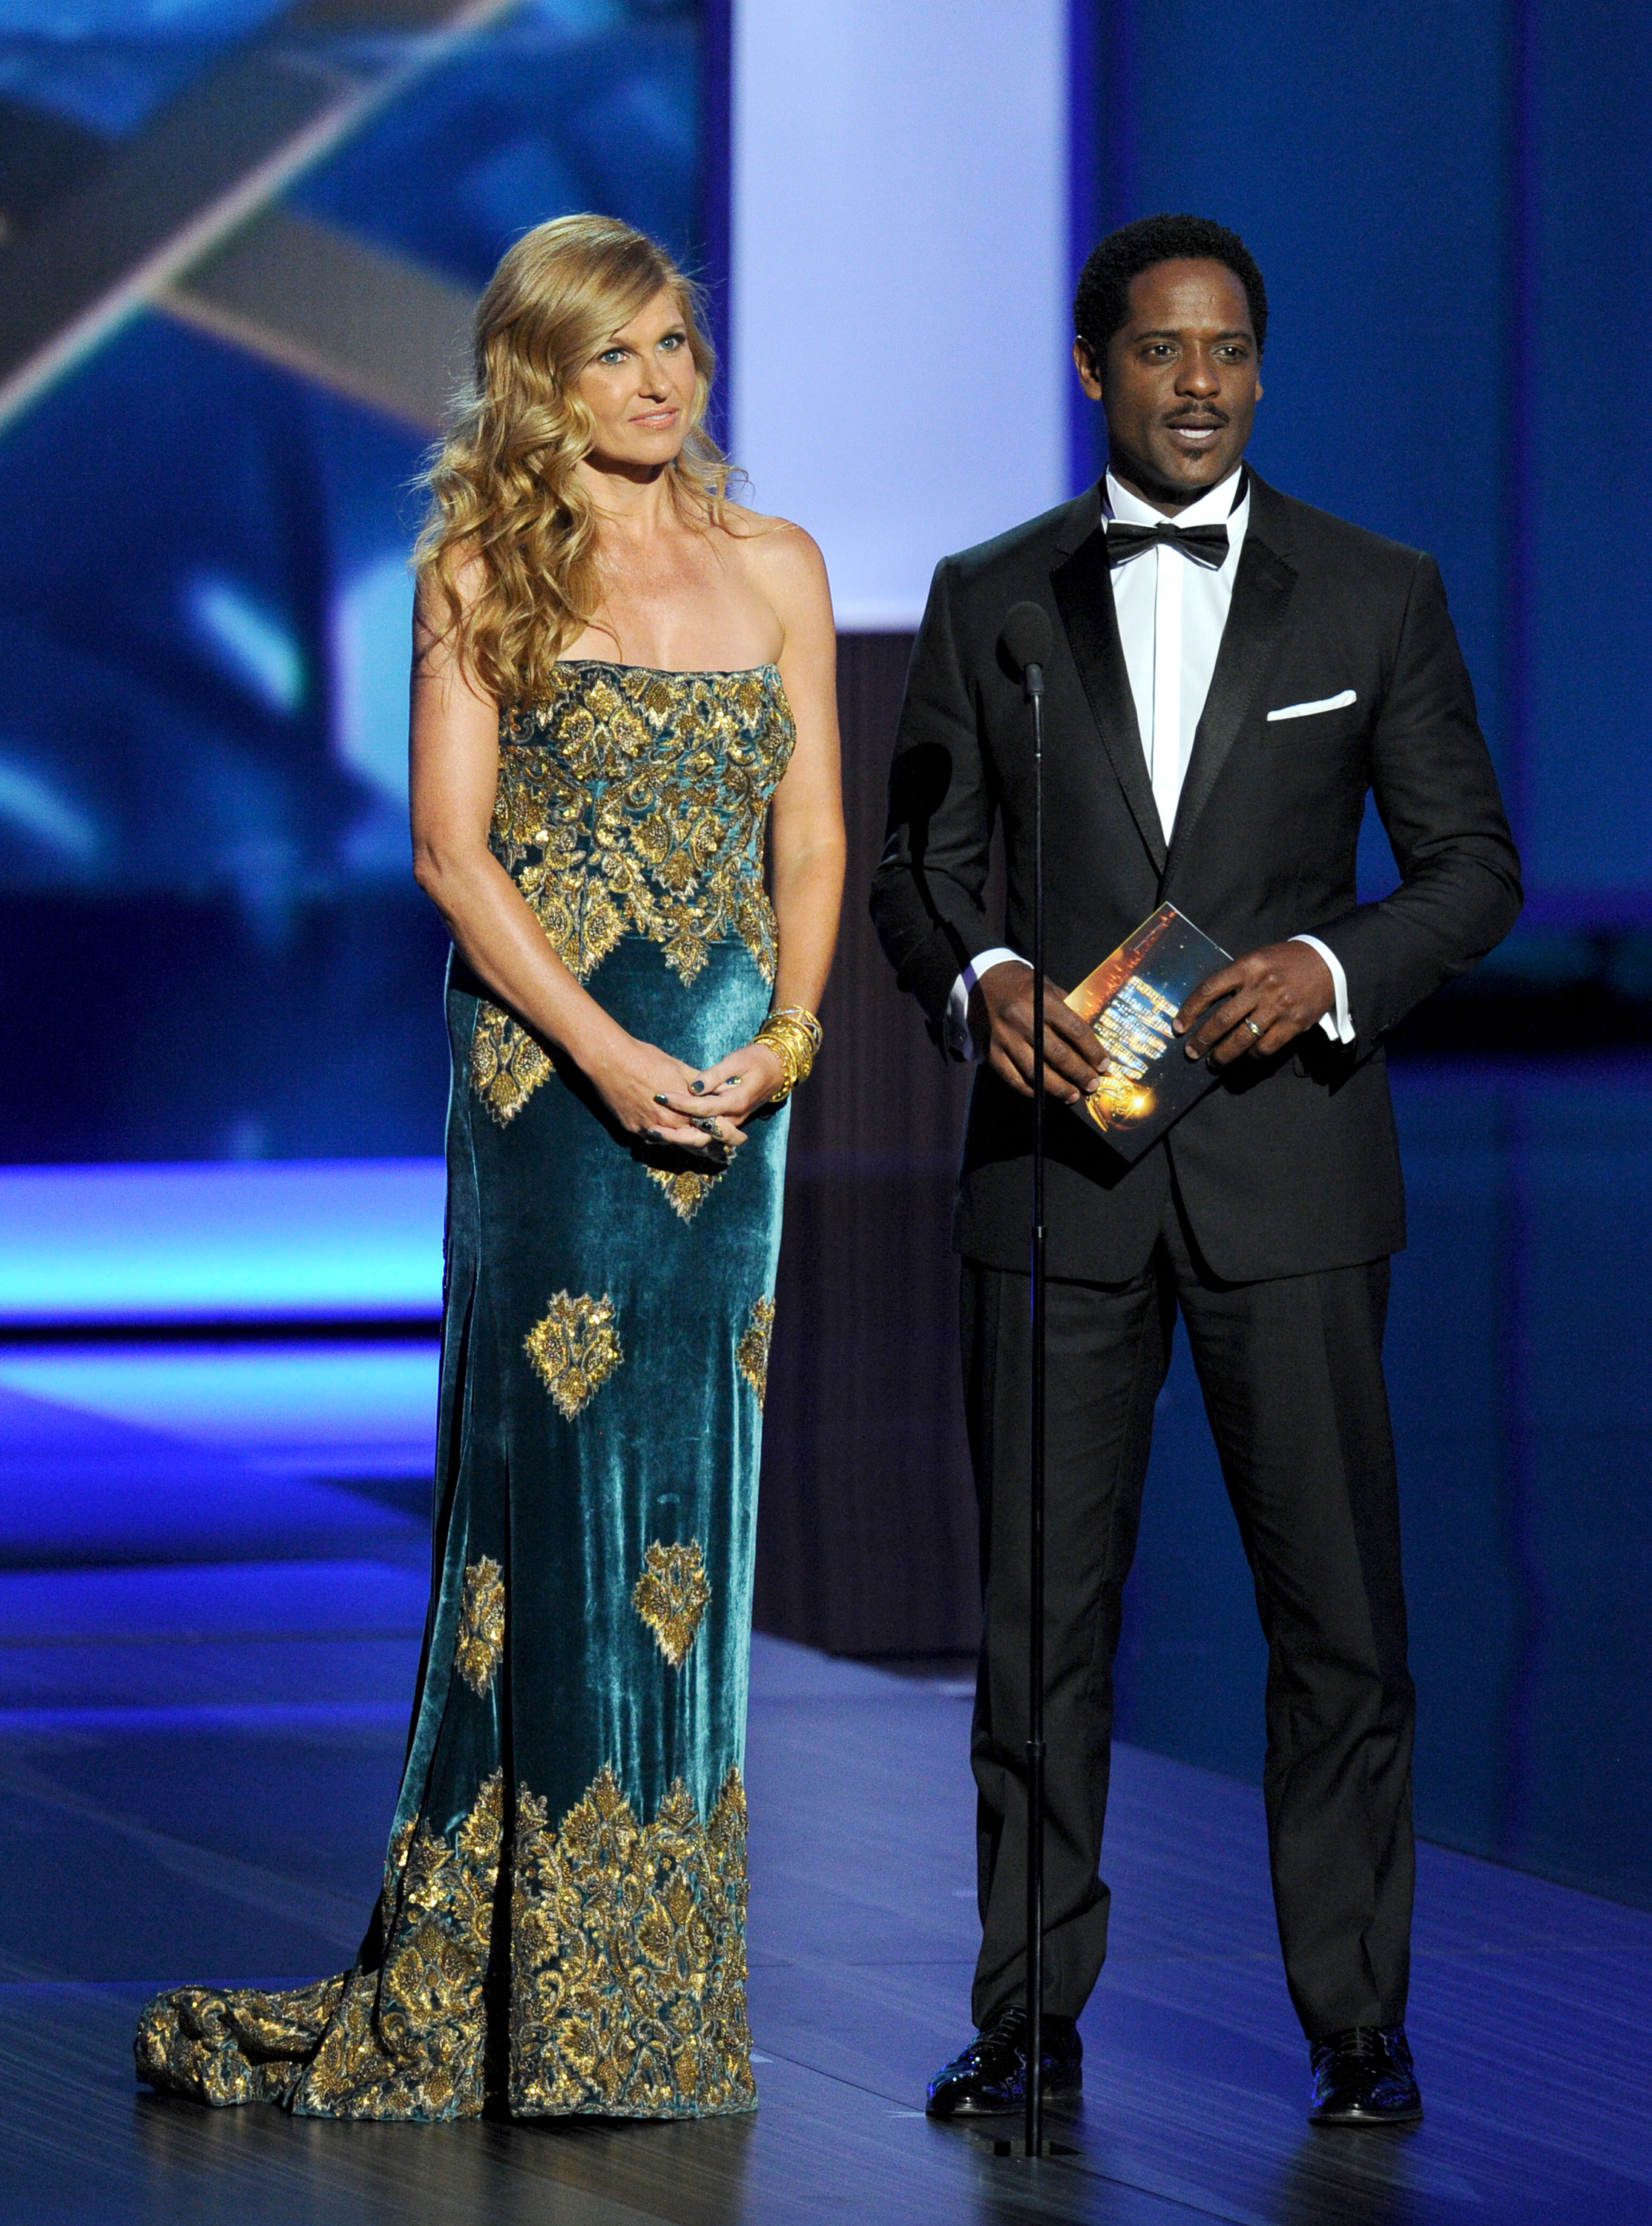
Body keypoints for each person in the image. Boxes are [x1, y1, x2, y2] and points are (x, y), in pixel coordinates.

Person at [136, 213, 844, 2121]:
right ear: (539, 374)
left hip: (735, 1121)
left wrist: (779, 1047)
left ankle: (660, 2006)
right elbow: (457, 856)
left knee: (701, 1522)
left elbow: (811, 848)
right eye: (617, 353)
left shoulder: (780, 564)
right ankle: (527, 1989)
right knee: (558, 1520)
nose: (661, 381)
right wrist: (614, 1058)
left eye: (679, 344)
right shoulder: (476, 570)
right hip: (552, 1096)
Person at [870, 213, 1520, 2128]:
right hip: (1054, 1182)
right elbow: (923, 871)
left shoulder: (1371, 592)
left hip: (1294, 1179)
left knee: (1334, 1623)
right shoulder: (988, 595)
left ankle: (1356, 2023)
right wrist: (984, 983)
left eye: (1229, 350)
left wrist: (1330, 970)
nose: (1198, 382)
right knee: (1035, 1627)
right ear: (1095, 371)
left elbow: (1470, 867)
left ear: (1259, 366)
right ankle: (1027, 2017)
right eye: (1160, 351)